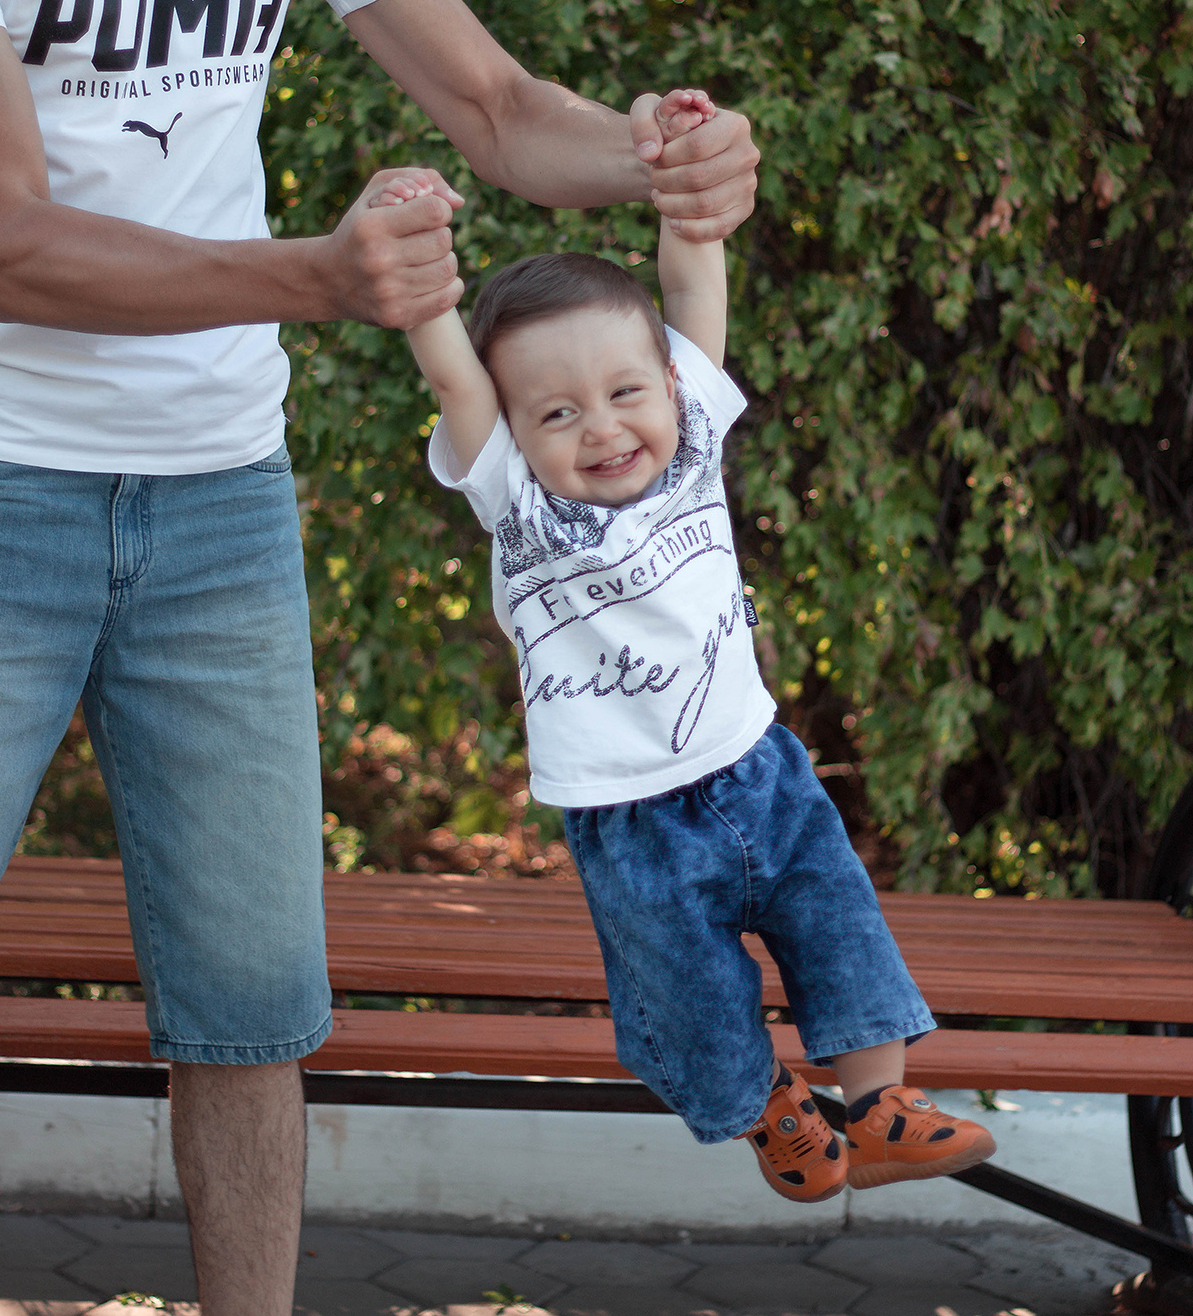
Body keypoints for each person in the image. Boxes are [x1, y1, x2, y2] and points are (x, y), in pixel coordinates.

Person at [0, 0, 760, 1308]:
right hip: (4, 485)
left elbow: (496, 112)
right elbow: (12, 244)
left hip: (216, 509)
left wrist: (659, 156)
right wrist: (319, 280)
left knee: (254, 1005)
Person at [395, 86, 996, 1203]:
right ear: (514, 433)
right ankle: (773, 1117)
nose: (604, 425)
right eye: (558, 413)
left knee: (836, 923)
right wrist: (422, 266)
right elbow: (451, 375)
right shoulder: (517, 502)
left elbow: (689, 279)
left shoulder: (693, 441)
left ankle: (881, 1106)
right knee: (686, 992)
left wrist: (681, 182)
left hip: (758, 766)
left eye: (625, 392)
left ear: (672, 385)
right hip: (629, 815)